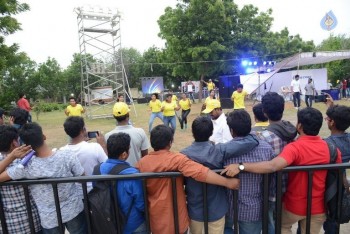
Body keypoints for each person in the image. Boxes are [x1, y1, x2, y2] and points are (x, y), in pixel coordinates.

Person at [222, 107, 342, 234]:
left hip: (293, 206)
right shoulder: (331, 148)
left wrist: (241, 166)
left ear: (299, 125)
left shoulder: (294, 148)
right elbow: (340, 175)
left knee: (282, 227)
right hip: (318, 208)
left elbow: (272, 166)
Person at [135, 125, 240, 234]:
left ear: (151, 142)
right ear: (170, 142)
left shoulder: (141, 164)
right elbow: (201, 172)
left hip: (156, 221)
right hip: (178, 221)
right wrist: (227, 182)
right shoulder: (176, 159)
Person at [0, 122, 87, 233]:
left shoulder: (24, 167)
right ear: (44, 136)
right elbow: (82, 176)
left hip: (49, 218)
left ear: (26, 144)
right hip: (74, 210)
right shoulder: (67, 155)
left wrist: (12, 157)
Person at [180, 116, 260, 234]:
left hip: (195, 209)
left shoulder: (183, 155)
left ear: (193, 132)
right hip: (216, 209)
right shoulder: (219, 150)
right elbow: (250, 141)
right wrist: (254, 134)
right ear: (211, 132)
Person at [224, 110, 274, 234]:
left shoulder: (225, 151)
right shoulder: (266, 149)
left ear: (231, 130)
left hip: (230, 207)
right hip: (254, 209)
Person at [257, 92, 297, 234]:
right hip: (290, 186)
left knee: (271, 224)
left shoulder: (264, 136)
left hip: (272, 189)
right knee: (284, 224)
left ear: (264, 112)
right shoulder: (293, 130)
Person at [98, 132, 146, 234]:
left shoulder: (97, 170)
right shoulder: (132, 175)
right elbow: (141, 204)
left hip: (108, 223)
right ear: (124, 154)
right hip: (133, 224)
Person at [0, 125, 42, 233]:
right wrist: (13, 156)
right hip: (30, 222)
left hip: (7, 225)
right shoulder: (24, 162)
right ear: (14, 142)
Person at [322, 98, 350, 234]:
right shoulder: (348, 139)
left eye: (327, 119)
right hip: (342, 184)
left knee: (331, 220)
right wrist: (332, 108)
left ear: (332, 122)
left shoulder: (326, 144)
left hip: (329, 186)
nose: (326, 120)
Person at [61, 116, 108, 191]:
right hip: (95, 191)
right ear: (83, 130)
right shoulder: (95, 147)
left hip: (75, 192)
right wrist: (103, 145)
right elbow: (108, 165)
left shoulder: (62, 151)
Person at [105, 102, 149, 166]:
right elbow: (145, 156)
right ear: (128, 115)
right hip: (136, 172)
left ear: (114, 116)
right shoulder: (140, 132)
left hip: (116, 173)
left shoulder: (107, 136)